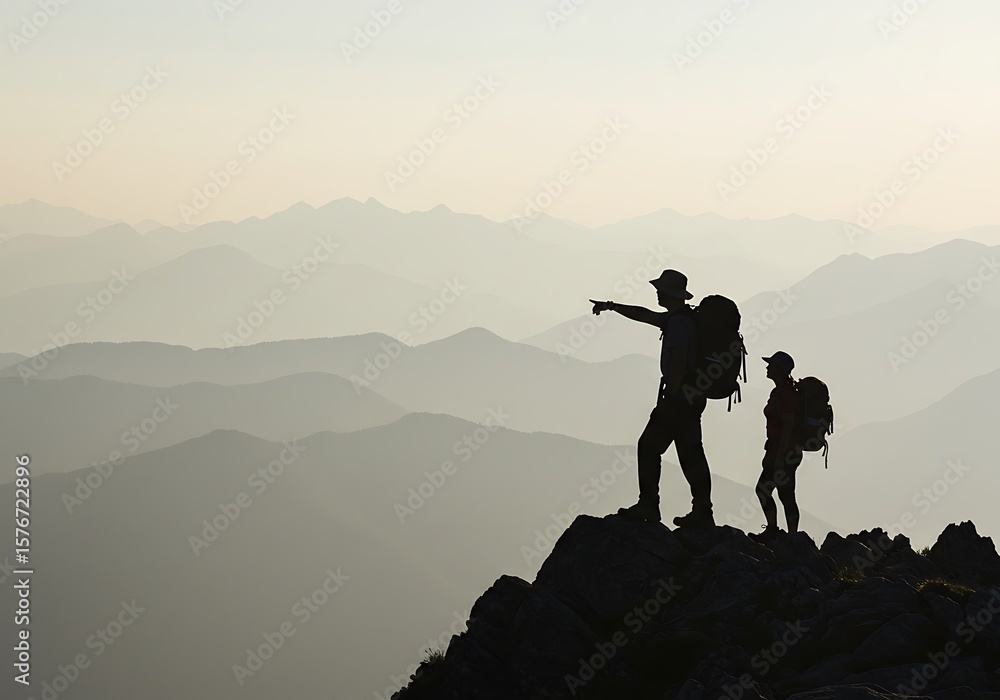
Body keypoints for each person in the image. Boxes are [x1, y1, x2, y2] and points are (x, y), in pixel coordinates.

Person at [590, 269, 714, 528]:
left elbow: (679, 359)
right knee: (691, 454)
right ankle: (703, 512)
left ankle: (649, 504)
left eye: (660, 289)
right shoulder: (680, 318)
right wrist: (612, 306)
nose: (656, 292)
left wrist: (670, 396)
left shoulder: (678, 323)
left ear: (669, 293)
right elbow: (644, 315)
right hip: (693, 398)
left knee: (648, 447)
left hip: (678, 398)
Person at [749, 351, 802, 543]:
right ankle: (781, 533)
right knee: (771, 491)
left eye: (771, 365)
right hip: (776, 450)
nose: (767, 367)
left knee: (782, 493)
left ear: (779, 370)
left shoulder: (787, 396)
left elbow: (788, 428)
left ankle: (789, 536)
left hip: (784, 453)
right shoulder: (779, 392)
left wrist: (780, 457)